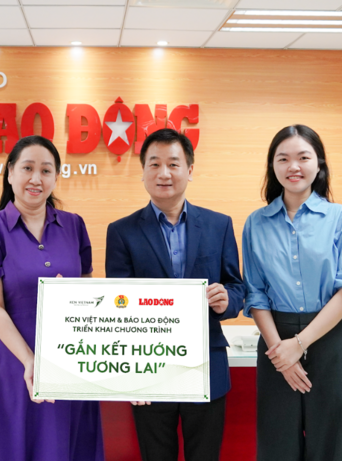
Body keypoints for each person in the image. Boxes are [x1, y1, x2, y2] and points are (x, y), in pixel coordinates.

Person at [105, 128, 244, 461]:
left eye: (173, 163)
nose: (163, 173)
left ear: (190, 170)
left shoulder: (218, 225)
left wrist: (227, 300)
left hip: (206, 366)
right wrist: (129, 376)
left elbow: (238, 287)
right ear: (143, 173)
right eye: (154, 164)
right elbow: (117, 307)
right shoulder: (121, 232)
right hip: (149, 371)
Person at [0, 135, 104, 461]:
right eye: (27, 168)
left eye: (46, 170)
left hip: (71, 361)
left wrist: (72, 296)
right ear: (10, 173)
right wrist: (31, 361)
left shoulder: (74, 225)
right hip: (19, 364)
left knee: (71, 446)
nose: (36, 178)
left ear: (56, 177)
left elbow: (88, 291)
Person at [243, 125, 342, 461]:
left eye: (303, 157)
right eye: (282, 158)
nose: (292, 166)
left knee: (331, 441)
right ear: (272, 166)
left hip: (328, 339)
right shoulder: (256, 223)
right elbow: (255, 294)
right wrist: (281, 354)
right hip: (275, 342)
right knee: (276, 444)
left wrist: (299, 344)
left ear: (319, 164)